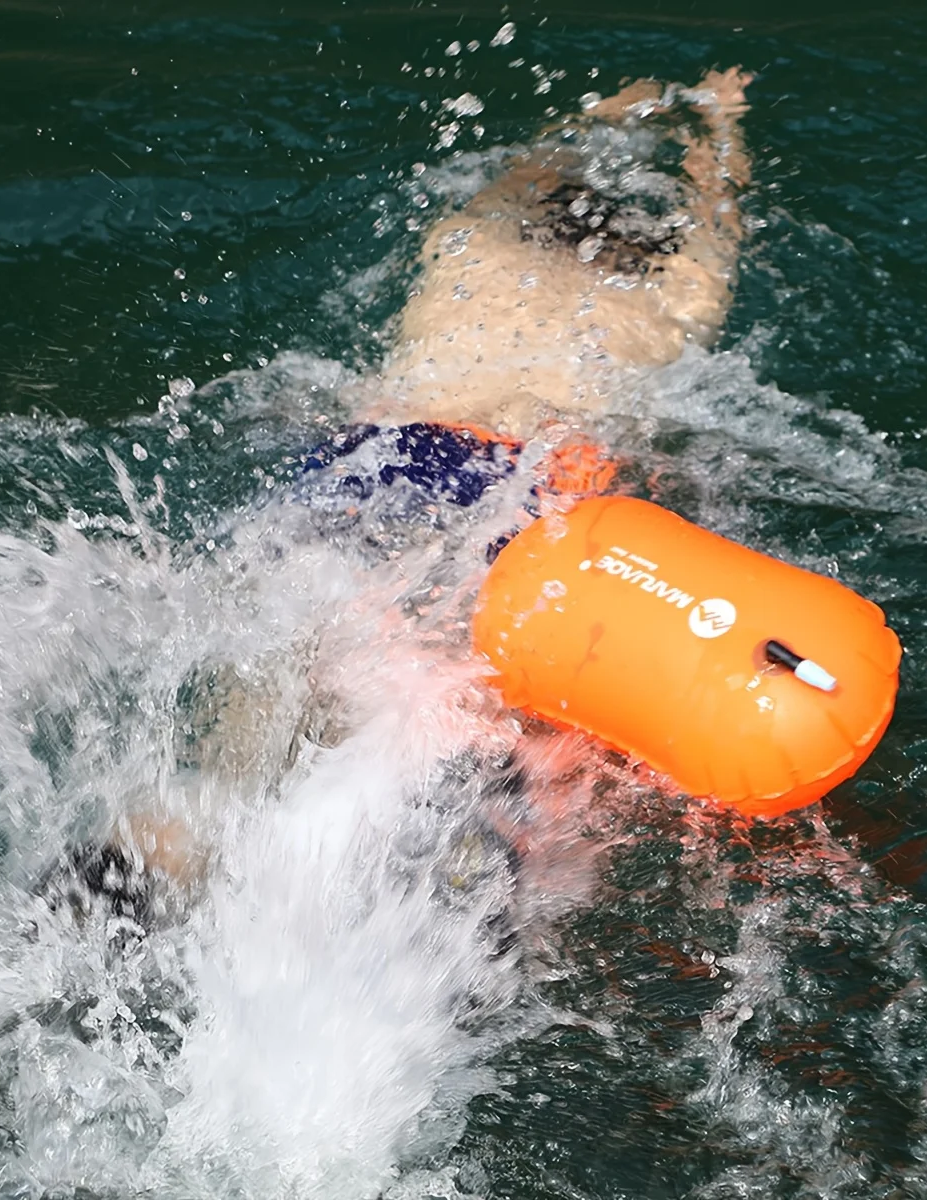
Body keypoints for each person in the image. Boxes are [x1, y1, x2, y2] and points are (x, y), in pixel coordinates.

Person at [43, 66, 754, 921]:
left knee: (274, 687)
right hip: (511, 488)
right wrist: (722, 131)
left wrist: (594, 119)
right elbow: (717, 235)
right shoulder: (660, 306)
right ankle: (461, 847)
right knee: (467, 690)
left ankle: (144, 855)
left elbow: (514, 178)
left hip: (361, 463)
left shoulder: (470, 250)